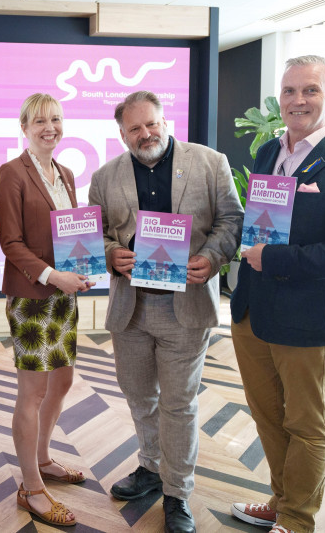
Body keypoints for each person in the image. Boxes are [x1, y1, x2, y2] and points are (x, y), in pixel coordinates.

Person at [229, 55, 325, 533]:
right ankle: (281, 501)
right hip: (253, 311)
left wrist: (276, 259)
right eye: (290, 91)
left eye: (310, 90)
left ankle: (297, 520)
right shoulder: (268, 153)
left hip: (306, 317)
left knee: (305, 425)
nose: (298, 100)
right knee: (267, 418)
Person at [88, 90, 243, 533]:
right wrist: (111, 252)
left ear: (165, 121)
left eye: (151, 123)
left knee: (179, 404)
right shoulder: (104, 176)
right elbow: (95, 232)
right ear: (122, 134)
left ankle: (177, 493)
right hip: (131, 308)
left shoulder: (210, 163)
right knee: (139, 397)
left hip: (185, 307)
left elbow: (231, 220)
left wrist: (211, 257)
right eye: (135, 128)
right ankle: (151, 468)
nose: (146, 134)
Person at [0, 94, 93, 527]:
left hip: (64, 295)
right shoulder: (11, 173)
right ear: (24, 127)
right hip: (32, 298)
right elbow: (11, 244)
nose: (49, 127)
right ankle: (31, 488)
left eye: (55, 119)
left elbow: (69, 234)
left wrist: (83, 267)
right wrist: (54, 276)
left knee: (63, 380)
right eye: (39, 121)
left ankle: (43, 458)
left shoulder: (66, 174)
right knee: (32, 392)